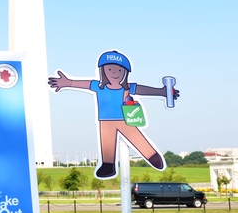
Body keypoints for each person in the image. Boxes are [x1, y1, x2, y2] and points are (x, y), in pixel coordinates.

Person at [48, 50, 179, 179]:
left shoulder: (127, 87)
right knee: (107, 143)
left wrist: (162, 92)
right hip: (105, 121)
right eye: (110, 69)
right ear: (103, 71)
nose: (115, 73)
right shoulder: (98, 86)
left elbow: (143, 90)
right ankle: (108, 165)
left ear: (125, 72)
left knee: (136, 138)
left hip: (125, 118)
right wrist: (68, 83)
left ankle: (151, 156)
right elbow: (82, 84)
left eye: (119, 70)